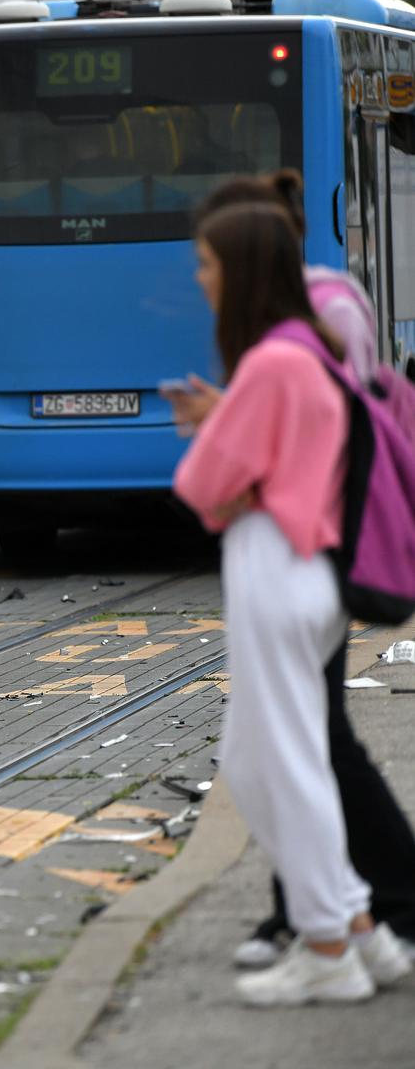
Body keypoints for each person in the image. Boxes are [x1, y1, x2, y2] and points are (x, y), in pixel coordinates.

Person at [169, 171, 415, 970]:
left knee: (291, 759)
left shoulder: (277, 359)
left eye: (206, 263)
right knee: (265, 757)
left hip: (279, 566)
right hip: (300, 567)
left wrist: (218, 438)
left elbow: (203, 486)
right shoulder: (313, 342)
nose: (198, 279)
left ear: (240, 268)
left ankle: (327, 940)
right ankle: (357, 929)